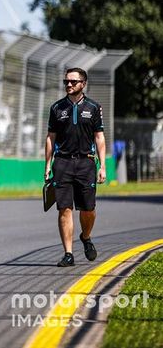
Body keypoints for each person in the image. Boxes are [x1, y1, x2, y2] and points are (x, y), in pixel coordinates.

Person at [44, 68, 106, 267]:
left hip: (86, 163)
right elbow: (50, 138)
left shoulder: (94, 108)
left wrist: (102, 166)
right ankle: (68, 253)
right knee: (64, 208)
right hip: (62, 162)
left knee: (88, 209)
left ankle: (86, 237)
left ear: (83, 83)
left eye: (73, 82)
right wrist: (47, 164)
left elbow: (99, 138)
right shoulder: (56, 108)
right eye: (66, 82)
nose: (68, 85)